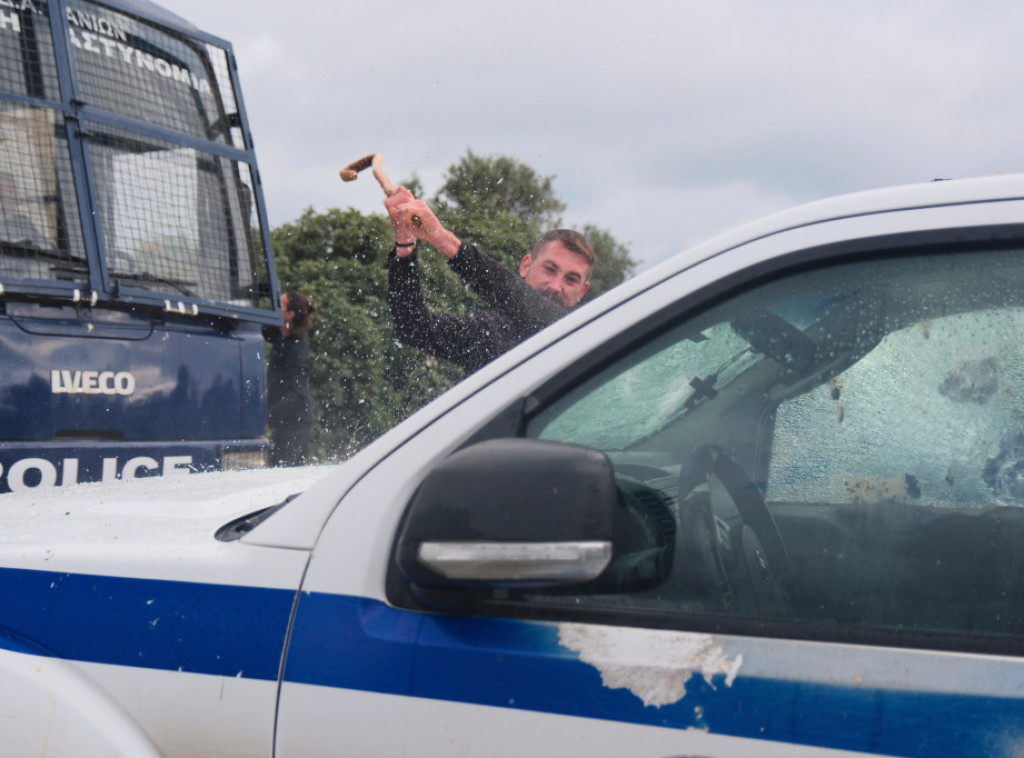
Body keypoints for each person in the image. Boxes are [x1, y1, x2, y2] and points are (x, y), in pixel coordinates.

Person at [385, 186, 594, 375]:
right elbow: (413, 328)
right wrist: (405, 247)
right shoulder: (486, 331)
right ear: (526, 266)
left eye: (571, 279)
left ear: (582, 292)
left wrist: (443, 239)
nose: (556, 286)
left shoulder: (585, 336)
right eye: (549, 269)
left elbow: (535, 310)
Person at [263, 291, 317, 467]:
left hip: (296, 421)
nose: (274, 309)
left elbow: (297, 395)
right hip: (285, 418)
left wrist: (268, 417)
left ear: (290, 315)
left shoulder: (296, 350)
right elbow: (259, 328)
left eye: (280, 305)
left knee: (281, 470)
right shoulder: (281, 333)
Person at [0, 171, 49, 249]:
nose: (12, 202)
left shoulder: (23, 223)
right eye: (5, 196)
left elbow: (46, 247)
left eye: (14, 196)